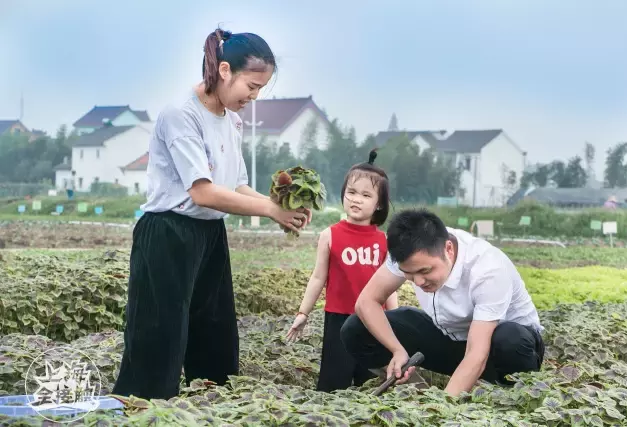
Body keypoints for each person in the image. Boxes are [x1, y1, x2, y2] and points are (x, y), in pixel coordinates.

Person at [112, 28, 311, 400]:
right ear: (223, 70)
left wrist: (280, 208)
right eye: (251, 87)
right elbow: (202, 191)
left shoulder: (231, 120)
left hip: (209, 236)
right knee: (160, 334)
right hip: (168, 233)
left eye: (260, 90)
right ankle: (141, 410)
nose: (253, 97)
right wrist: (269, 209)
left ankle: (210, 406)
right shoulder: (181, 114)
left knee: (215, 331)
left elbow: (235, 185)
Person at [340, 209, 545, 397]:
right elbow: (366, 302)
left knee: (509, 339)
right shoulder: (407, 250)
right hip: (451, 337)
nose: (418, 282)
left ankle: (506, 397)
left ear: (449, 249)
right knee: (355, 328)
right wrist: (397, 350)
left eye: (425, 271)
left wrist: (441, 409)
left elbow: (477, 354)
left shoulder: (487, 269)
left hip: (502, 350)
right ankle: (417, 393)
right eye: (409, 274)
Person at [286, 150, 398, 393]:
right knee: (332, 382)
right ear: (343, 195)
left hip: (373, 321)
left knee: (369, 385)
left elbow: (388, 287)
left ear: (379, 203)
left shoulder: (384, 241)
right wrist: (303, 313)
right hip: (337, 319)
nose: (356, 199)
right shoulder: (330, 235)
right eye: (352, 192)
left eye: (366, 195)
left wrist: (397, 322)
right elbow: (318, 277)